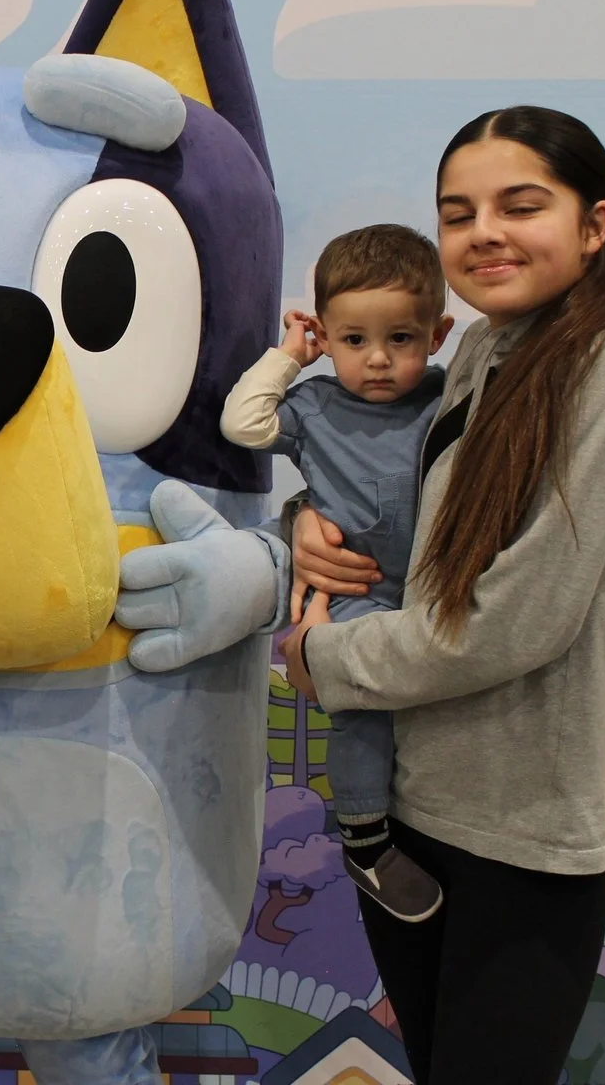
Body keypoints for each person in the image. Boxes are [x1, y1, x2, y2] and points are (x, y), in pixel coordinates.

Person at [279, 106, 605, 1084]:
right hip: (418, 795)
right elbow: (408, 516)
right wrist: (305, 517)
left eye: (521, 206)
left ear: (594, 224)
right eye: (458, 214)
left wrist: (323, 659)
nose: (485, 234)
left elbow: (514, 622)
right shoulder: (484, 352)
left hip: (526, 827)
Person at [220, 224, 452, 921]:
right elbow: (243, 424)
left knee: (441, 712)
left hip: (436, 596)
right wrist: (290, 357)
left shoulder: (444, 398)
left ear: (437, 335)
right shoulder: (317, 406)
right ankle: (364, 837)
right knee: (364, 712)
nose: (377, 359)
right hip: (357, 592)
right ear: (326, 334)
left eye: (400, 339)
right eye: (353, 340)